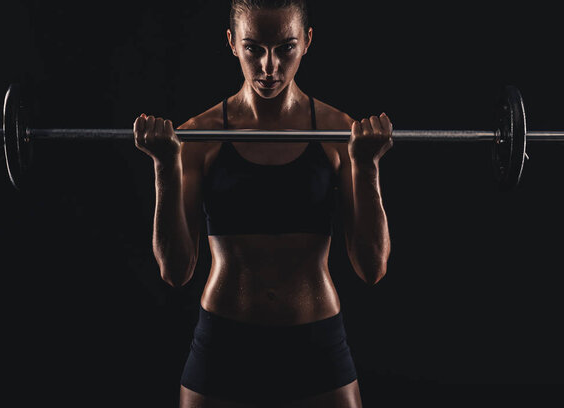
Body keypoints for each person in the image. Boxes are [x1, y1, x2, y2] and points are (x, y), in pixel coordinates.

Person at [133, 0, 392, 406]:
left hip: (315, 341)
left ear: (306, 42)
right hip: (224, 342)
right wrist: (166, 166)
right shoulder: (197, 138)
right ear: (232, 43)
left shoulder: (340, 134)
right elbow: (175, 270)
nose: (269, 66)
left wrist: (367, 166)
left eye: (285, 47)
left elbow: (372, 267)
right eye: (253, 48)